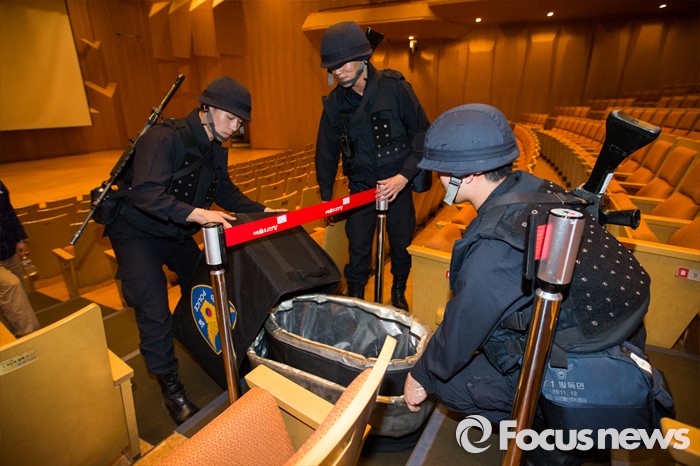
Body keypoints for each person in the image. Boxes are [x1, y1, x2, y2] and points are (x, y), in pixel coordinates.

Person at [402, 104, 650, 465]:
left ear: (466, 175)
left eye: (441, 170)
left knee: (444, 382)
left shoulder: (496, 246)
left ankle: (544, 431)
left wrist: (420, 376)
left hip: (574, 361)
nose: (438, 178)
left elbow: (464, 324)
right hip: (608, 333)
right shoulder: (535, 187)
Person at [106, 76, 278, 425]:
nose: (235, 128)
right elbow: (145, 194)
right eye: (231, 118)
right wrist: (199, 215)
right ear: (208, 108)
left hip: (175, 228)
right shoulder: (162, 138)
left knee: (206, 287)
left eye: (240, 122)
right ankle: (170, 385)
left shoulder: (216, 146)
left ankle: (209, 345)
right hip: (136, 232)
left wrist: (262, 211)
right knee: (153, 306)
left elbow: (225, 192)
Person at [315, 21, 430, 310]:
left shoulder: (395, 88)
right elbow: (326, 151)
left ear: (363, 58)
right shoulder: (334, 104)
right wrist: (326, 197)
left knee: (401, 243)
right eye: (332, 67)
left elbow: (421, 135)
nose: (337, 71)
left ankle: (399, 289)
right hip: (361, 188)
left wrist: (403, 177)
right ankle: (356, 298)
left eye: (343, 64)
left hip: (397, 185)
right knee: (357, 248)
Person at [0, 180, 41, 338]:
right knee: (12, 286)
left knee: (17, 296)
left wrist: (20, 238)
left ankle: (8, 335)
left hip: (9, 251)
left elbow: (9, 212)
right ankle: (32, 338)